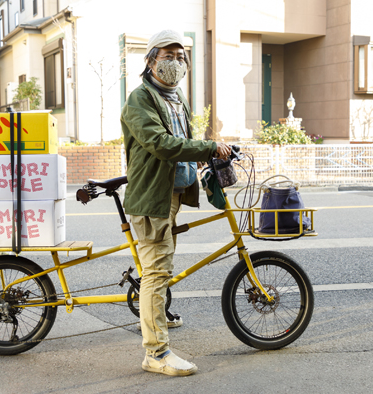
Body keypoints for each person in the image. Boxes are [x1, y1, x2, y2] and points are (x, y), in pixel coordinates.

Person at [121, 30, 231, 376]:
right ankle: (156, 352)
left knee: (162, 268)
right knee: (155, 273)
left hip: (173, 195)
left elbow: (182, 142)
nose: (175, 61)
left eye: (180, 55)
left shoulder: (176, 97)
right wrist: (208, 148)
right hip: (152, 197)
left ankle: (157, 322)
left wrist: (203, 156)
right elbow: (161, 143)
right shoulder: (140, 99)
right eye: (168, 55)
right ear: (151, 60)